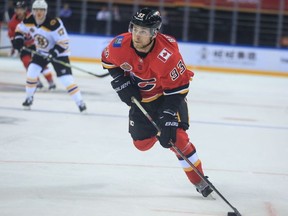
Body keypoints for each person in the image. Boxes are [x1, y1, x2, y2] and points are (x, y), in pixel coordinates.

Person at [101, 8, 213, 197]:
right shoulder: (120, 45)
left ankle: (199, 180)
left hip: (166, 97)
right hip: (142, 101)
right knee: (141, 145)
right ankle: (159, 130)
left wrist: (168, 115)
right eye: (135, 28)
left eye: (143, 31)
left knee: (176, 139)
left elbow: (179, 89)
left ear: (154, 33)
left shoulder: (167, 55)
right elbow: (107, 61)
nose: (137, 35)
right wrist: (120, 81)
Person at [12, 0, 87, 112]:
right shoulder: (29, 20)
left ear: (46, 11)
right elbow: (19, 28)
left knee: (66, 79)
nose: (39, 13)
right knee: (32, 71)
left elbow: (64, 42)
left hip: (59, 53)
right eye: (36, 10)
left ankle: (80, 102)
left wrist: (54, 53)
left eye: (41, 10)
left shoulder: (54, 23)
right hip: (42, 52)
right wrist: (18, 39)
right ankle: (28, 98)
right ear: (32, 11)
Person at [8, 0, 56, 90]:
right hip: (24, 47)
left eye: (21, 9)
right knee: (27, 63)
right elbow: (11, 35)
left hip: (37, 45)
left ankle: (51, 81)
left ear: (25, 9)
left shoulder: (34, 17)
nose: (19, 11)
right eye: (17, 9)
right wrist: (15, 44)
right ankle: (36, 81)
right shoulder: (12, 23)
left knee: (41, 63)